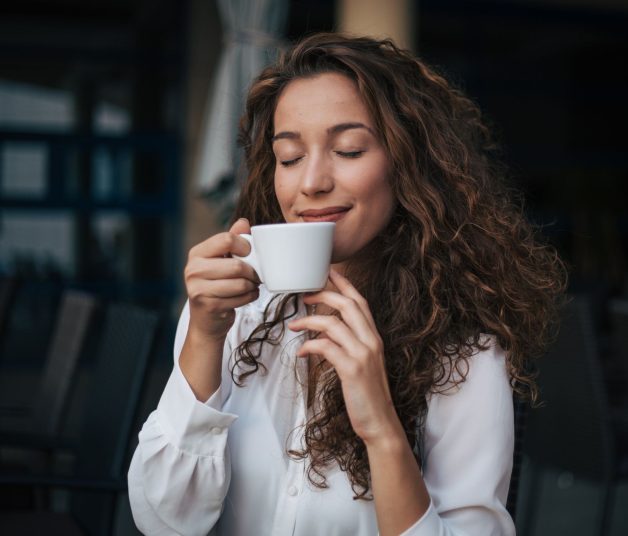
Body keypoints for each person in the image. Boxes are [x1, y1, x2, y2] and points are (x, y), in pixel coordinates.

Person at [128, 33, 565, 536]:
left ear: (407, 163)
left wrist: (381, 426)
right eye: (289, 158)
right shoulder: (234, 313)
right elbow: (163, 521)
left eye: (349, 149)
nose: (311, 181)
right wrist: (203, 338)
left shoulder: (461, 348)